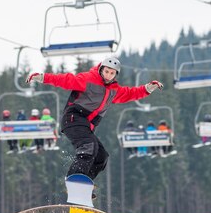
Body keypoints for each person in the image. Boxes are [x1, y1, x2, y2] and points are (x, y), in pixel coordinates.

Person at [26, 56, 162, 183]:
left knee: (101, 156)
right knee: (89, 147)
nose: (108, 75)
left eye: (112, 73)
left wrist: (148, 88)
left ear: (115, 75)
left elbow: (131, 93)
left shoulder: (114, 91)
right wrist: (42, 77)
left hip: (85, 126)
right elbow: (65, 80)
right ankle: (74, 180)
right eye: (106, 71)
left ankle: (84, 184)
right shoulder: (88, 79)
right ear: (101, 69)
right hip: (73, 118)